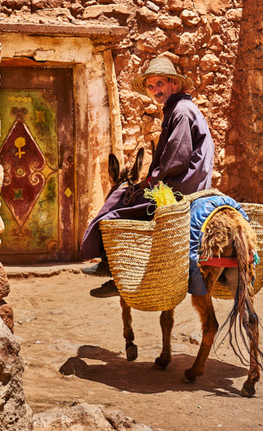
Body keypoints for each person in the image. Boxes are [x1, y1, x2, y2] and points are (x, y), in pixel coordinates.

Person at [81, 56, 215, 297]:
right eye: (151, 86)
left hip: (180, 187)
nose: (155, 90)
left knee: (120, 198)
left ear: (174, 83)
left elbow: (176, 159)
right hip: (185, 182)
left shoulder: (181, 112)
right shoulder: (179, 110)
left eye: (160, 84)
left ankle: (114, 268)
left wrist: (148, 182)